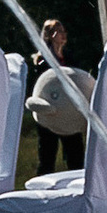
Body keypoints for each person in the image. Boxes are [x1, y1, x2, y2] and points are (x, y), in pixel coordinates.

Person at [28, 15, 90, 164]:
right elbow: (39, 85)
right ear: (50, 36)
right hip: (50, 114)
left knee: (76, 155)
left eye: (63, 31)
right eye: (59, 31)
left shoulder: (69, 58)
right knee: (47, 155)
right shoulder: (42, 61)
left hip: (69, 113)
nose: (63, 34)